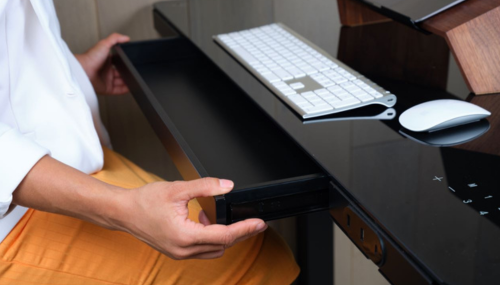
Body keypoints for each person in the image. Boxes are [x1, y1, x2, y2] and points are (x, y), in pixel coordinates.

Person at [0, 0, 299, 284]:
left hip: (63, 156)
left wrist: (69, 74)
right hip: (12, 215)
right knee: (257, 263)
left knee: (252, 245)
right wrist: (123, 210)